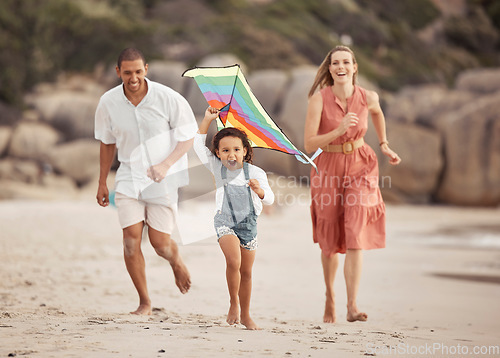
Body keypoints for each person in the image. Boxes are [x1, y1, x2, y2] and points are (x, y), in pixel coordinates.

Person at [95, 48, 198, 315]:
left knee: (160, 244)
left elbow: (187, 136)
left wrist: (166, 164)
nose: (133, 78)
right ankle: (144, 301)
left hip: (162, 178)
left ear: (146, 70)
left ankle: (175, 260)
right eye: (127, 72)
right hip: (128, 175)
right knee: (130, 241)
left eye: (138, 72)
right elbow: (107, 143)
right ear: (118, 72)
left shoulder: (168, 98)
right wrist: (102, 182)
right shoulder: (108, 102)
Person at [304, 45, 401, 323]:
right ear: (330, 68)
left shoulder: (368, 96)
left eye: (346, 62)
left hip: (361, 164)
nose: (341, 66)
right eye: (335, 63)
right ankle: (330, 297)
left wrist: (384, 144)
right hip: (328, 168)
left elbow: (378, 113)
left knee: (356, 233)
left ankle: (352, 305)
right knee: (330, 242)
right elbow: (309, 143)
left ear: (355, 67)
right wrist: (338, 129)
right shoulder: (318, 99)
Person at [194, 107, 274, 330]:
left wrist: (260, 191)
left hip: (249, 226)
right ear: (218, 153)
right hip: (225, 221)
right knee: (234, 262)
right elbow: (197, 145)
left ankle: (246, 315)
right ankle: (233, 304)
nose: (231, 154)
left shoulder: (257, 174)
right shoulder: (217, 167)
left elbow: (269, 200)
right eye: (225, 150)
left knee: (246, 273)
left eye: (236, 149)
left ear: (245, 151)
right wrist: (207, 119)